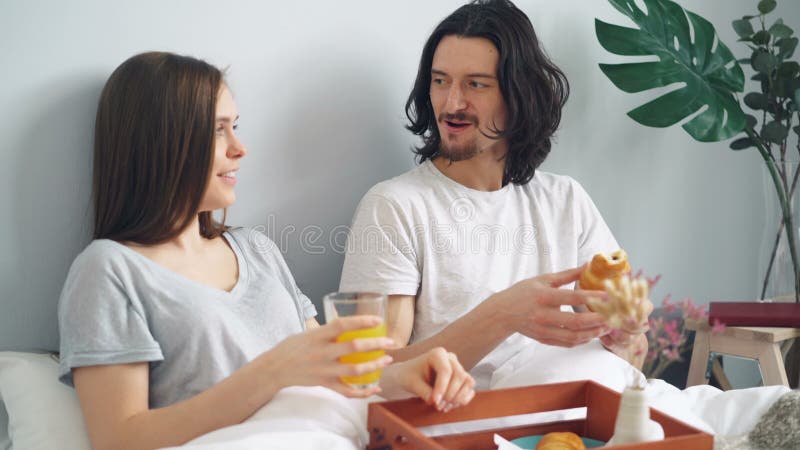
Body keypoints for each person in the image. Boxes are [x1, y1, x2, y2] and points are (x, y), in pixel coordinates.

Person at [57, 52, 475, 450]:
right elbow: (119, 440)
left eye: (235, 126)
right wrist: (273, 371)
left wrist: (407, 375)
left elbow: (337, 368)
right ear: (160, 142)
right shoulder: (108, 271)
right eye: (217, 130)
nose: (240, 148)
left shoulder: (256, 249)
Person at [339, 0, 651, 391]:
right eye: (440, 81)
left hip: (579, 410)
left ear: (519, 95)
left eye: (476, 84)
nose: (452, 103)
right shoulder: (396, 207)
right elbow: (373, 377)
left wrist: (624, 336)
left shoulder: (566, 200)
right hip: (472, 422)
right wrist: (502, 315)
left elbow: (635, 354)